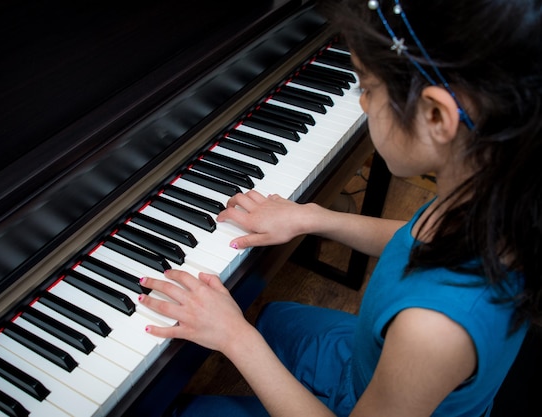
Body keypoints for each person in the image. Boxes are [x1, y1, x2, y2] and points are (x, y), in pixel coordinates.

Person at [138, 0, 542, 415]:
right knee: (274, 317)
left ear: (436, 116)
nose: (362, 103)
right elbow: (414, 240)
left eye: (367, 87)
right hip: (366, 364)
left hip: (380, 394)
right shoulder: (490, 190)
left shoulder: (432, 330)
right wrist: (316, 217)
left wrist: (235, 338)